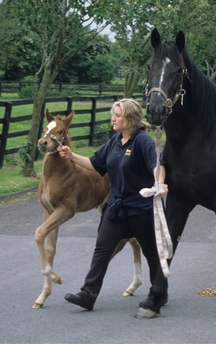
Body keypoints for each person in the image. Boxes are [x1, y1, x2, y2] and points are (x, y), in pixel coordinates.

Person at [58, 98, 169, 316]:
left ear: (130, 118)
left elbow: (157, 164)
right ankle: (88, 294)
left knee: (151, 253)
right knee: (102, 248)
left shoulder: (142, 141)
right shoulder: (115, 141)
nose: (113, 118)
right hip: (117, 207)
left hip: (141, 208)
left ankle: (160, 291)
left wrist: (159, 183)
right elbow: (95, 163)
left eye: (117, 115)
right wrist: (71, 156)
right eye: (113, 114)